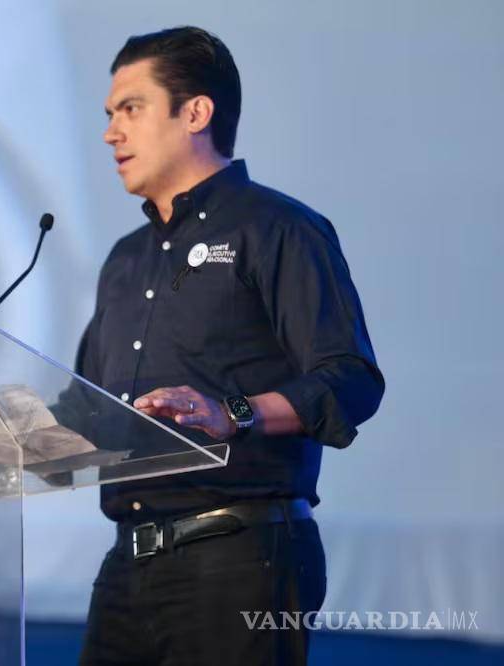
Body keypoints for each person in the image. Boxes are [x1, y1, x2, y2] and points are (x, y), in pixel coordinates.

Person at [70, 26, 385, 665]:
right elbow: (84, 412)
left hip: (239, 560)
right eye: (108, 114)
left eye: (130, 108)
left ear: (195, 113)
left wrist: (232, 412)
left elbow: (350, 379)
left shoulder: (278, 228)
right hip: (126, 570)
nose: (110, 133)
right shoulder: (124, 261)